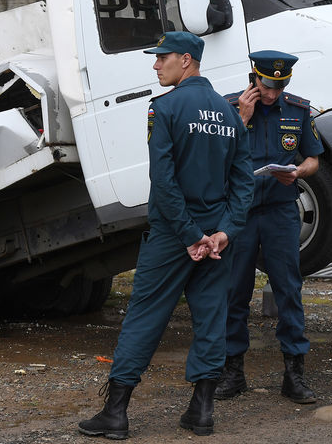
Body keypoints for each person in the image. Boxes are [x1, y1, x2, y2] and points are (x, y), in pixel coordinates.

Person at [78, 31, 254, 439]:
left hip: (175, 236)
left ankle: (116, 413)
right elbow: (244, 183)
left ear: (186, 60)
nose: (156, 65)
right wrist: (223, 233)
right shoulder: (230, 114)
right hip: (215, 239)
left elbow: (163, 179)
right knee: (212, 318)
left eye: (163, 57)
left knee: (145, 316)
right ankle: (202, 411)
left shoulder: (166, 107)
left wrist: (190, 234)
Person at [215, 50, 323, 404]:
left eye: (280, 86)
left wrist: (299, 171)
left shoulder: (298, 110)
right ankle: (233, 372)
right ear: (253, 76)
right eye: (266, 85)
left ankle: (294, 375)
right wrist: (242, 119)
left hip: (280, 212)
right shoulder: (229, 107)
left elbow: (314, 158)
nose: (272, 93)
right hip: (239, 215)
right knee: (235, 292)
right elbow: (214, 156)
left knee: (289, 290)